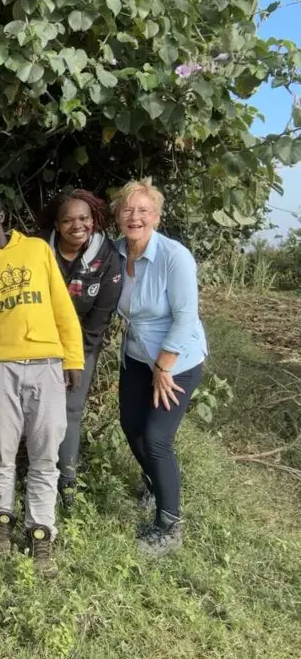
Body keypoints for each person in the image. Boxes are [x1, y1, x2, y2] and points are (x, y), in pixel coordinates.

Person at [0, 190, 83, 577]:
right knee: (1, 449)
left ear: (1, 217)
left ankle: (41, 530)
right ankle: (1, 519)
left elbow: (61, 304)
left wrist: (73, 356)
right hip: (1, 369)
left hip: (47, 364)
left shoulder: (35, 250)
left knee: (46, 452)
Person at [112, 178, 207, 557]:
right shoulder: (116, 253)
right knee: (131, 426)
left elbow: (186, 317)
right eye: (127, 210)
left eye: (143, 211)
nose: (135, 217)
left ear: (157, 216)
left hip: (176, 361)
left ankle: (170, 526)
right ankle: (154, 484)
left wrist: (164, 366)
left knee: (156, 438)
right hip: (136, 357)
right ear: (118, 215)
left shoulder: (174, 256)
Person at [36, 189, 122, 507]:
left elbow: (99, 318)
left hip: (82, 346)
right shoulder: (37, 250)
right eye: (68, 219)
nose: (77, 225)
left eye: (84, 218)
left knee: (70, 411)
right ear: (57, 225)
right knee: (36, 413)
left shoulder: (107, 257)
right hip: (37, 343)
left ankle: (67, 482)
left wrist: (73, 358)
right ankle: (37, 473)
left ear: (94, 220)